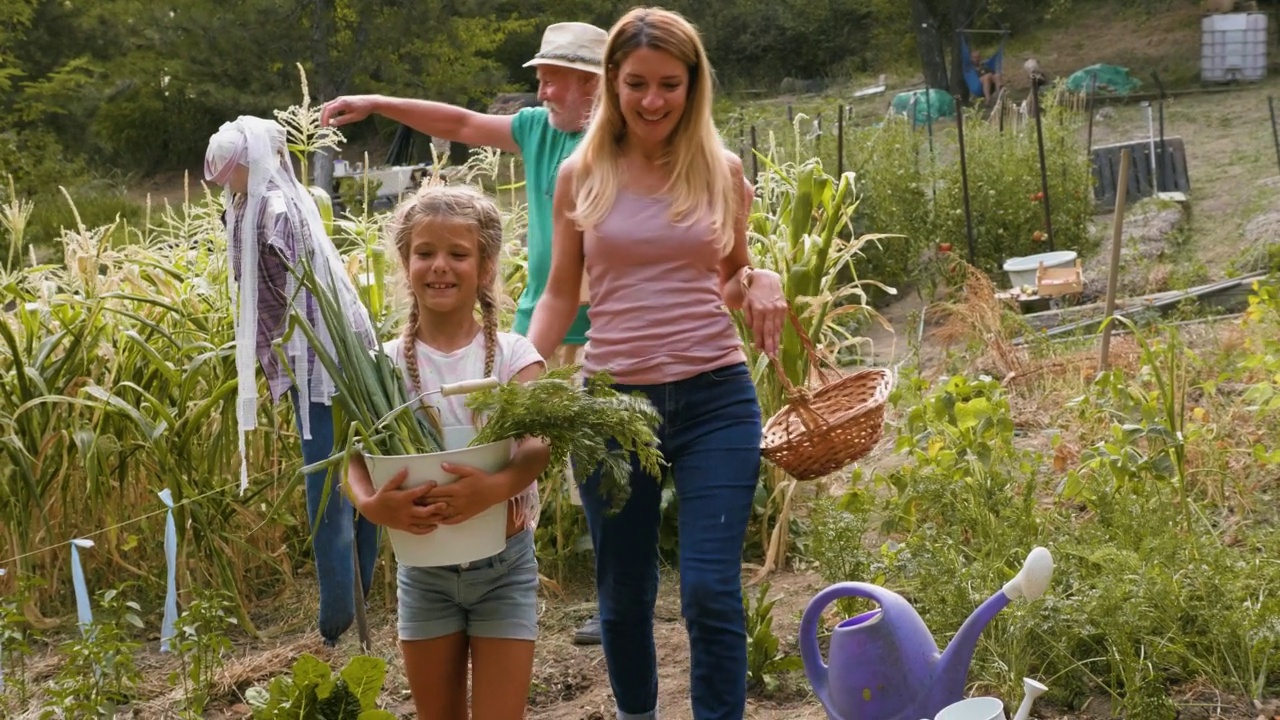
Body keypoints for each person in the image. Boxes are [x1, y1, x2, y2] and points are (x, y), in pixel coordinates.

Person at [526, 8, 788, 720]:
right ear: (612, 81)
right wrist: (518, 371)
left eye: (669, 84)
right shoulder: (581, 174)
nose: (652, 100)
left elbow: (732, 278)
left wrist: (761, 281)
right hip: (614, 403)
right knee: (624, 590)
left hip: (717, 398)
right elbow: (557, 294)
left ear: (693, 84)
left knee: (709, 589)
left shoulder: (721, 170)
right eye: (637, 82)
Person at [320, 20, 610, 646]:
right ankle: (468, 556)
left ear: (593, 83)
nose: (542, 91)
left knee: (593, 459)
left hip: (603, 331)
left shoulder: (616, 144)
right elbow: (455, 123)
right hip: (540, 320)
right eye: (540, 79)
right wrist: (375, 103)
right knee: (496, 444)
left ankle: (602, 594)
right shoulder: (537, 131)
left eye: (553, 80)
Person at [344, 182, 550, 720]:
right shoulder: (382, 365)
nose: (440, 266)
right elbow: (354, 460)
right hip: (423, 572)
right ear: (405, 263)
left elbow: (537, 445)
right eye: (425, 253)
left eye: (458, 254)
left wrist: (494, 488)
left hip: (504, 565)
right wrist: (371, 506)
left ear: (484, 267)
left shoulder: (514, 356)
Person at [203, 116, 380, 647]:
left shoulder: (276, 208)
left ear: (249, 164)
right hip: (307, 355)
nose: (224, 180)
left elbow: (309, 291)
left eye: (230, 170)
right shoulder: (248, 203)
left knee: (330, 477)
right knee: (335, 473)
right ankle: (348, 601)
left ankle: (341, 611)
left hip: (323, 357)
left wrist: (306, 355)